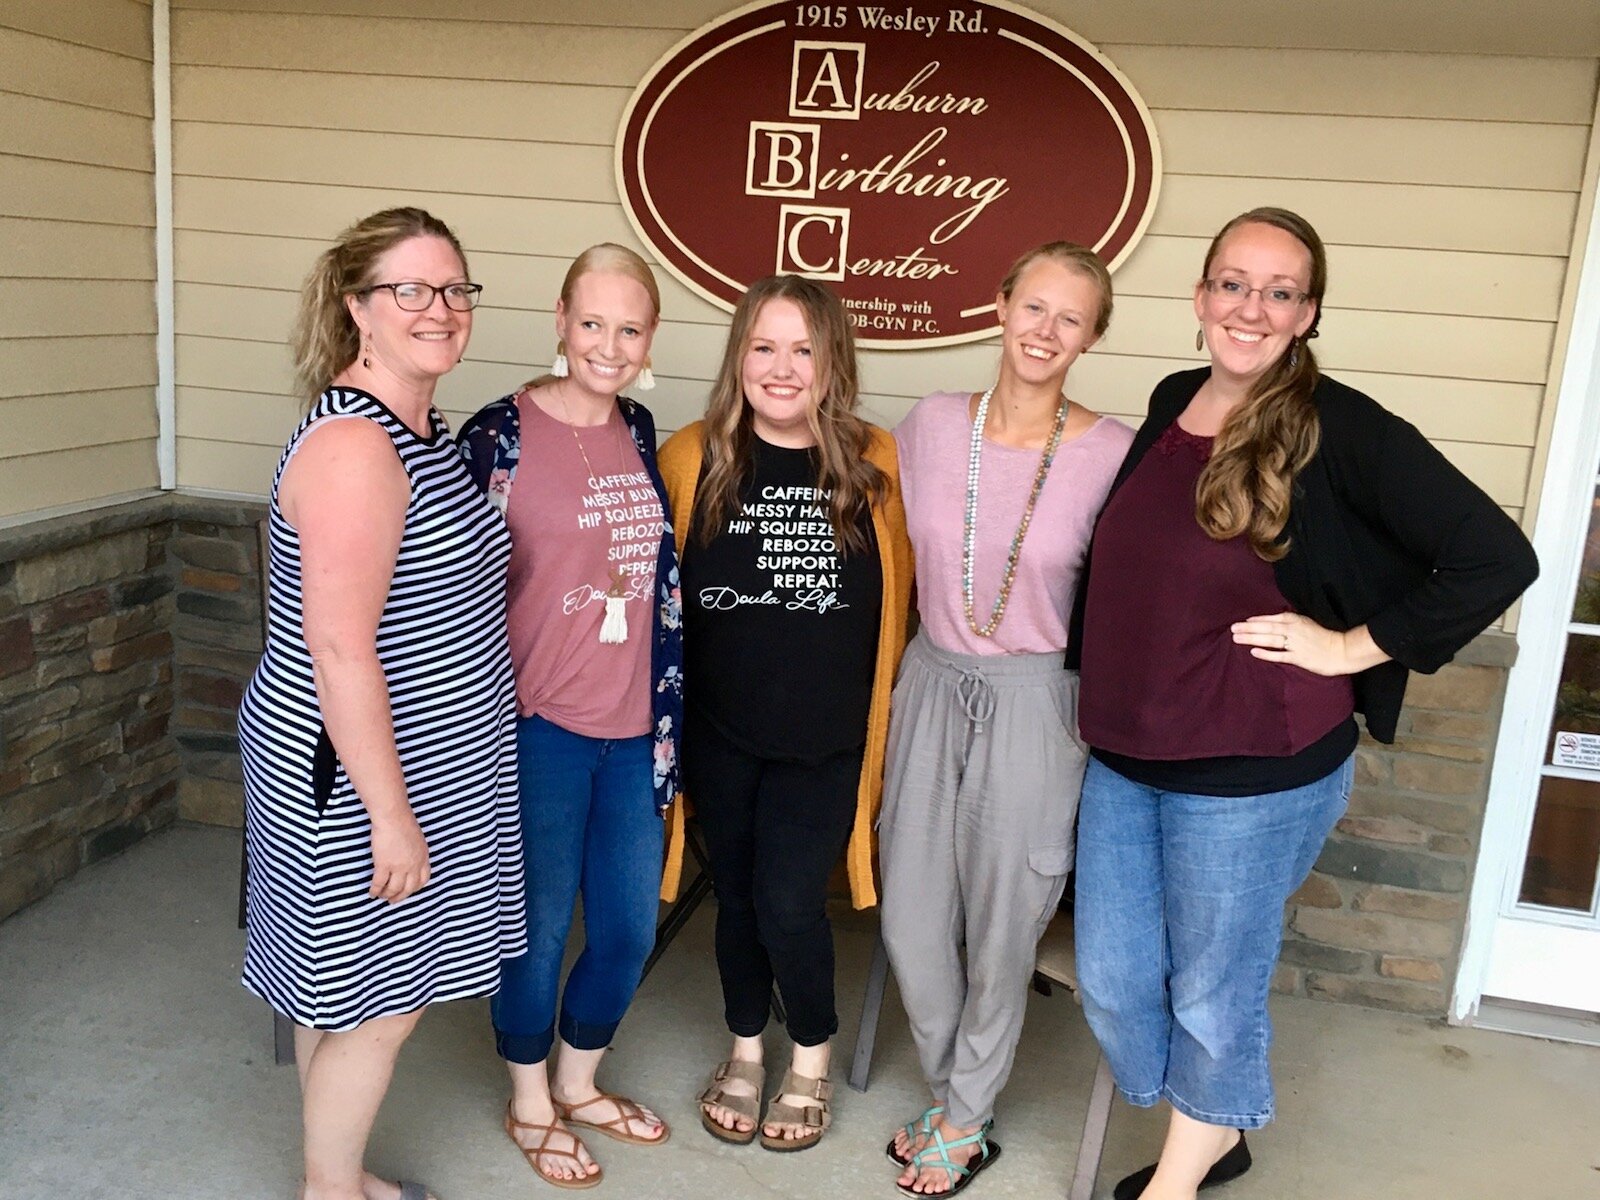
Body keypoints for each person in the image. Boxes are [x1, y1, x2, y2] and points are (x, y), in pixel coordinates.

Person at [1068, 207, 1539, 1200]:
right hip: (1124, 752)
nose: (1252, 307)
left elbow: (1497, 557)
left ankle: (1185, 1168)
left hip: (1256, 763)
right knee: (1112, 983)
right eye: (1233, 284)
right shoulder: (1170, 398)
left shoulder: (1342, 428)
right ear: (1199, 298)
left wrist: (1348, 647)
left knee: (1212, 985)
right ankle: (1215, 1113)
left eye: (1278, 292)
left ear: (1306, 313)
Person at [238, 207, 525, 1200]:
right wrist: (390, 817)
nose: (439, 309)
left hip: (417, 758)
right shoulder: (357, 447)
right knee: (380, 1002)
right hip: (356, 770)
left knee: (348, 987)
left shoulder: (421, 429)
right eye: (410, 290)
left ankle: (336, 1172)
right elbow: (337, 648)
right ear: (359, 307)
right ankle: (331, 1191)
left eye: (454, 289)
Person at [878, 243, 1135, 1196]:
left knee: (1002, 920)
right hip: (931, 681)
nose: (1046, 331)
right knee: (909, 911)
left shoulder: (1112, 452)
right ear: (999, 307)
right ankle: (955, 1091)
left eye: (1071, 318)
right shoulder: (930, 426)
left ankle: (964, 1117)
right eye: (1033, 307)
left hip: (1037, 700)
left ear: (1093, 336)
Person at [655, 275, 913, 1152]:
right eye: (764, 346)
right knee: (736, 899)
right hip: (722, 736)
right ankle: (744, 1051)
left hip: (827, 741)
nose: (782, 366)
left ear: (834, 361)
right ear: (739, 357)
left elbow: (911, 598)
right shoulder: (695, 455)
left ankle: (809, 1053)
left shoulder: (877, 462)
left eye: (804, 348)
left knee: (792, 902)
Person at [458, 243, 680, 1190]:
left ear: (649, 337)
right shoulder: (494, 437)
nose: (609, 344)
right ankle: (529, 1099)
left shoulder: (640, 426)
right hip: (533, 725)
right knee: (535, 927)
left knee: (629, 926)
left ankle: (580, 1080)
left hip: (638, 729)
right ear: (559, 319)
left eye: (629, 328)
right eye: (592, 323)